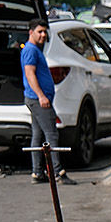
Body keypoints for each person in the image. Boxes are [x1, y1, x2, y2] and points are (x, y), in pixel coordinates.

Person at [21, 19, 76, 185]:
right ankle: (58, 172)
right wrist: (41, 96)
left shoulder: (35, 50)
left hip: (37, 99)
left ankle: (37, 172)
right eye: (40, 31)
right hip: (38, 100)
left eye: (45, 32)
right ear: (31, 32)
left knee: (38, 136)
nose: (43, 35)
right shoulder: (30, 50)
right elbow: (30, 74)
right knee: (51, 134)